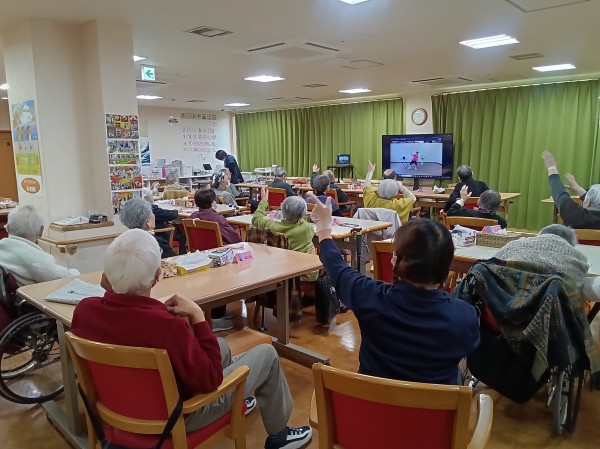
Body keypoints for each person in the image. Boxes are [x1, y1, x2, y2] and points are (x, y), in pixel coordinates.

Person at [71, 229, 312, 449]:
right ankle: (279, 437)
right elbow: (210, 379)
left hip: (118, 407)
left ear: (107, 275)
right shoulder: (167, 326)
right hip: (178, 415)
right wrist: (197, 315)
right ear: (157, 276)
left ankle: (238, 399)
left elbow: (123, 315)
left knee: (221, 346)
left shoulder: (84, 311)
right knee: (267, 354)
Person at [308, 194, 480, 384]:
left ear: (395, 261)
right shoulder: (465, 316)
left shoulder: (368, 295)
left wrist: (323, 226)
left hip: (372, 399)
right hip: (436, 402)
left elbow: (336, 266)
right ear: (447, 268)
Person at [0, 205, 80, 286]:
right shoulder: (33, 257)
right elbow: (69, 278)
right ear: (41, 231)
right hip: (29, 293)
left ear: (8, 228)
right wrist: (75, 272)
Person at [252, 189, 318, 282]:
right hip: (303, 274)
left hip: (280, 270)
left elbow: (256, 219)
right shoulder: (306, 228)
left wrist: (263, 201)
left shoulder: (273, 226)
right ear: (302, 214)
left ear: (282, 210)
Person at [542, 151, 600, 228]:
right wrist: (577, 188)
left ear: (587, 203)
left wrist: (551, 168)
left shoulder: (576, 217)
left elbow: (560, 195)